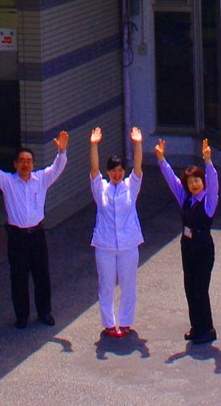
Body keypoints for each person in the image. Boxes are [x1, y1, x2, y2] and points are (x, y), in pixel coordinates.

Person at [0, 129, 68, 329]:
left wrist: (61, 151)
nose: (25, 164)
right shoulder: (8, 182)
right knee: (18, 278)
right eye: (22, 160)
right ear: (15, 164)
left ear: (33, 164)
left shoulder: (41, 179)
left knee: (41, 275)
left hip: (37, 235)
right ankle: (21, 316)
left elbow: (57, 167)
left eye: (29, 160)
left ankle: (44, 312)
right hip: (17, 238)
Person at [156, 137, 221, 344]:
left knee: (201, 288)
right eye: (190, 181)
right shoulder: (185, 198)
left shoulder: (209, 200)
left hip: (203, 248)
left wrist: (208, 161)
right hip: (187, 247)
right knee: (189, 287)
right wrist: (161, 160)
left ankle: (207, 328)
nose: (194, 184)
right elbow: (172, 180)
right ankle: (196, 326)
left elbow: (214, 184)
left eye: (197, 180)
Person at [88, 124, 145, 339]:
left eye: (120, 170)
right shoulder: (100, 187)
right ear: (108, 172)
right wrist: (93, 146)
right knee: (106, 286)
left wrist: (137, 144)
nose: (117, 174)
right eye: (113, 170)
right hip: (104, 245)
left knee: (129, 285)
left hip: (129, 244)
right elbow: (93, 170)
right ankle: (109, 324)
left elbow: (138, 167)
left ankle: (127, 322)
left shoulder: (131, 185)